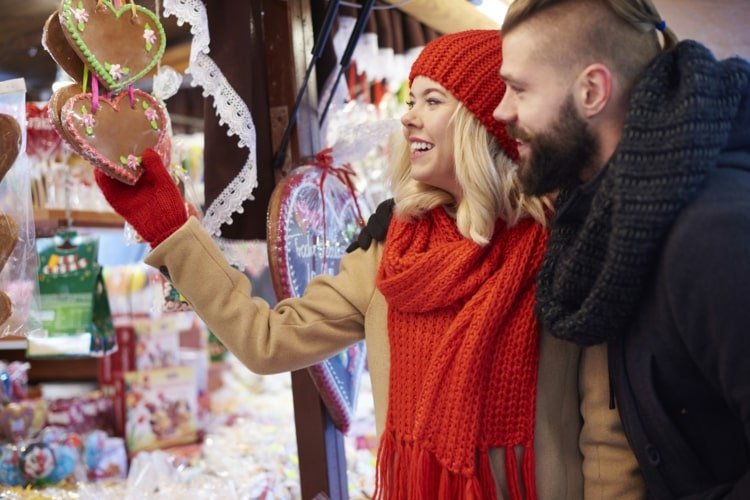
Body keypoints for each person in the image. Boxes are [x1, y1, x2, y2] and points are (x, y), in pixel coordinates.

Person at [94, 30, 602, 499]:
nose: (408, 117)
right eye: (410, 99)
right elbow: (266, 341)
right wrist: (173, 230)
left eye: (432, 100)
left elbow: (605, 429)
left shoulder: (562, 244)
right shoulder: (392, 247)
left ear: (485, 119)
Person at [493, 0, 750, 498]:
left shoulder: (711, 236)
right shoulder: (607, 221)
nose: (501, 110)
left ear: (591, 91)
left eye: (519, 88)